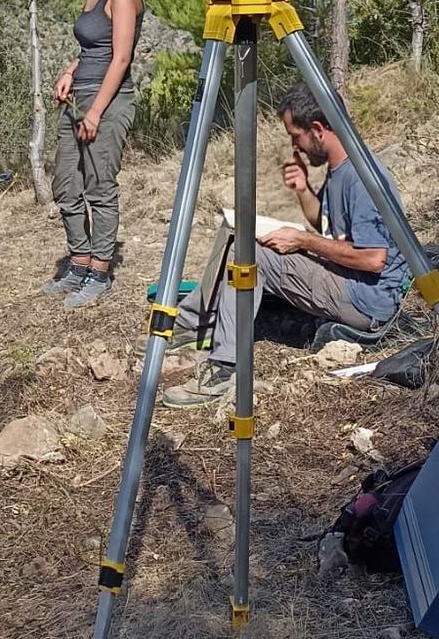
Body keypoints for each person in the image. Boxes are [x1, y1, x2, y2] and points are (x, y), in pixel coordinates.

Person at [162, 80, 407, 408]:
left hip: (365, 299)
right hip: (351, 282)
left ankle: (223, 369)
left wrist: (303, 241)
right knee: (238, 234)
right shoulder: (340, 169)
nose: (298, 146)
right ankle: (192, 325)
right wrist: (303, 188)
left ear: (317, 129)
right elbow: (328, 226)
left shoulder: (361, 176)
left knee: (248, 253)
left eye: (297, 136)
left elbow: (374, 258)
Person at [47, 0, 144, 309]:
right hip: (79, 99)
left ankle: (100, 272)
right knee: (66, 184)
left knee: (99, 186)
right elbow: (91, 49)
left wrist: (95, 113)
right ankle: (79, 262)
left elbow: (120, 58)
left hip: (107, 102)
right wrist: (69, 71)